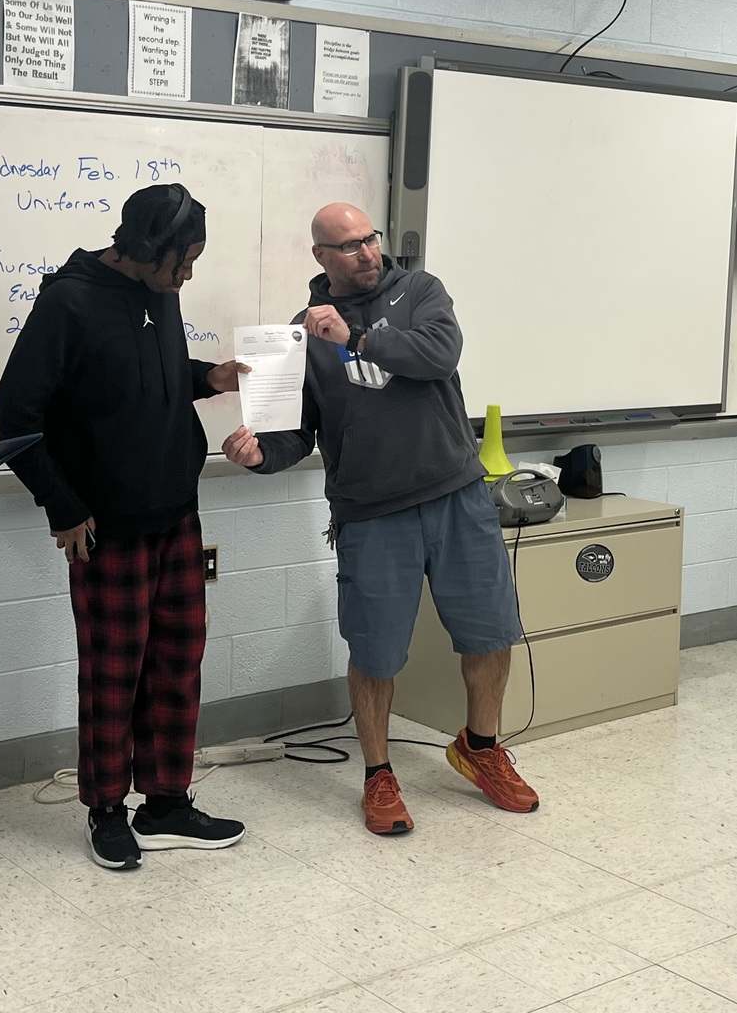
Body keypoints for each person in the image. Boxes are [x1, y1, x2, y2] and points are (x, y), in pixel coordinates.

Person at [222, 203, 538, 835]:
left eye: (370, 239)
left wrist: (358, 338)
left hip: (456, 494)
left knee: (490, 632)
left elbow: (437, 356)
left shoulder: (421, 291)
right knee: (375, 652)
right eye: (348, 246)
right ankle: (378, 774)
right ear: (320, 257)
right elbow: (297, 433)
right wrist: (260, 455)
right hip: (370, 513)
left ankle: (480, 748)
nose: (366, 253)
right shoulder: (299, 334)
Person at [0, 183, 248, 870]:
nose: (188, 274)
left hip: (176, 511)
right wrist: (62, 505)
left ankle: (165, 802)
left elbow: (148, 375)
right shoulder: (68, 302)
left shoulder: (159, 291)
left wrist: (208, 376)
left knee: (177, 662)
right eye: (182, 261)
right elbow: (15, 414)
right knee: (114, 674)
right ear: (142, 248)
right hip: (105, 525)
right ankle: (105, 810)